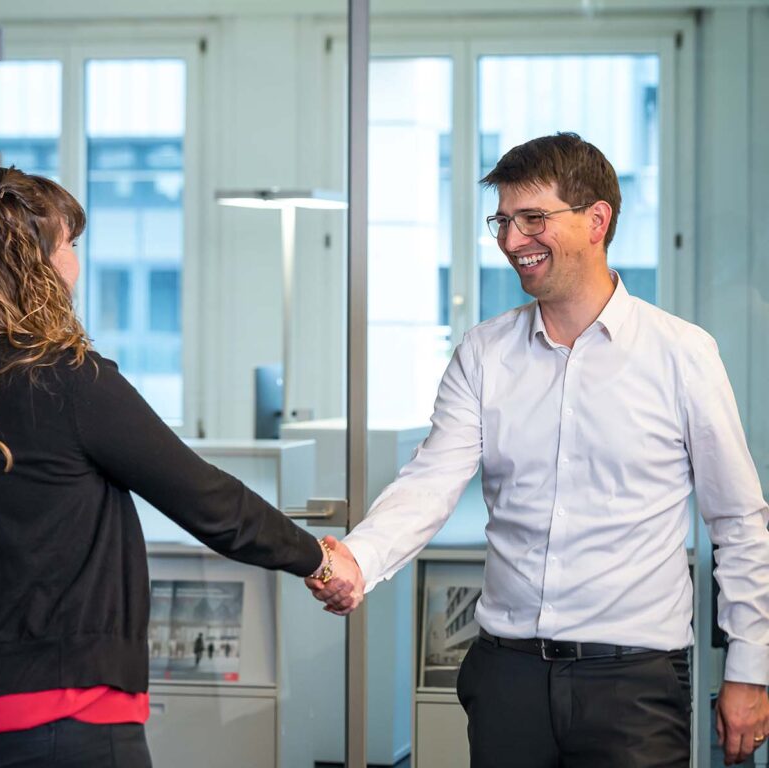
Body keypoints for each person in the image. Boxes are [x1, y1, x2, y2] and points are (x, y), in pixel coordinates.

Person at [0, 167, 337, 768]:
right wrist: (321, 560)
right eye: (67, 245)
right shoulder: (65, 380)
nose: (74, 264)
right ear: (30, 266)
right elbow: (208, 501)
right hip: (60, 723)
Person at [307, 133, 769, 767]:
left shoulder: (683, 355)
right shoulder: (482, 353)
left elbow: (739, 522)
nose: (511, 240)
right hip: (508, 677)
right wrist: (358, 557)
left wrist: (750, 666)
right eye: (503, 221)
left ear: (597, 220)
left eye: (533, 218)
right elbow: (429, 483)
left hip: (634, 684)